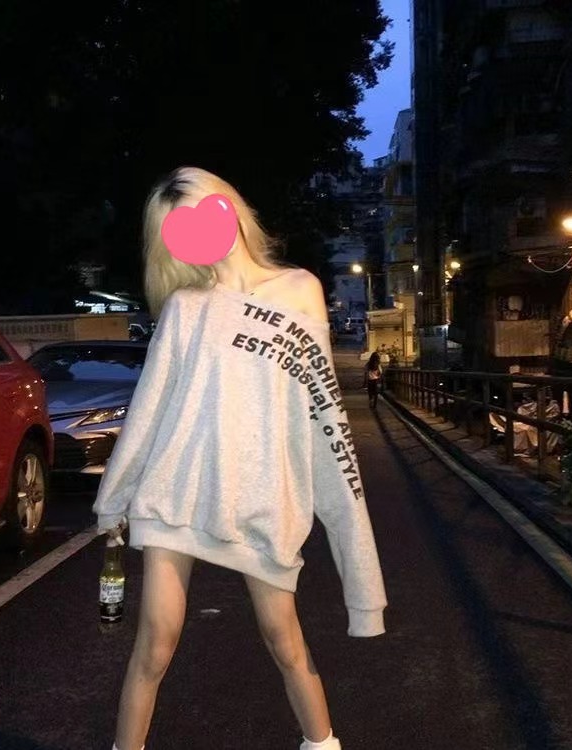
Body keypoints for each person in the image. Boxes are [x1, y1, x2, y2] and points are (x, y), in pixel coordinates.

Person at [93, 166, 388, 750]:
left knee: (285, 640)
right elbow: (150, 409)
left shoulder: (300, 289)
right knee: (154, 645)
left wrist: (360, 574)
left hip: (263, 500)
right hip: (175, 493)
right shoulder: (185, 308)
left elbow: (323, 416)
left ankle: (322, 743)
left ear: (228, 207)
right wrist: (115, 500)